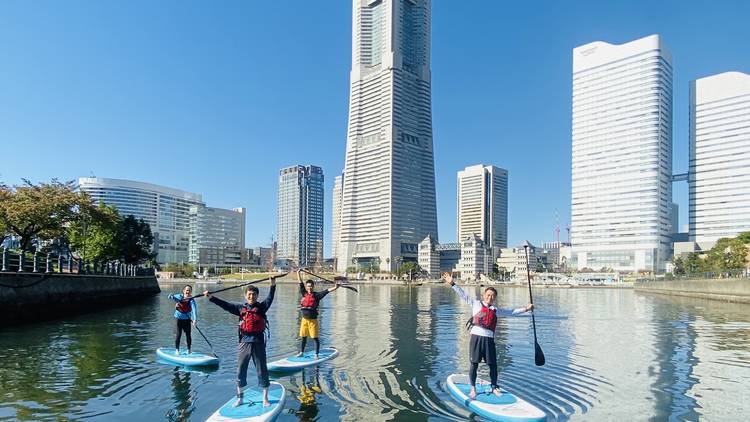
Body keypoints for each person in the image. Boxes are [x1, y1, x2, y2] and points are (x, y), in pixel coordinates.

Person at [443, 272, 534, 399]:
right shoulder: (476, 304)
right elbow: (463, 295)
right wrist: (452, 283)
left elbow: (512, 312)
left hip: (489, 340)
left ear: (495, 298)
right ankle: (473, 388)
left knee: (493, 365)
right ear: (484, 296)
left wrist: (527, 309)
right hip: (476, 338)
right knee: (474, 364)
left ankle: (494, 386)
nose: (490, 297)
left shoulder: (496, 310)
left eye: (492, 296)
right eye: (488, 295)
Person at [203, 276, 278, 407]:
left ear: (257, 296)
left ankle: (265, 398)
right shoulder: (240, 309)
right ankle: (240, 399)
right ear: (245, 296)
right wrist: (211, 297)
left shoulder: (262, 308)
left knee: (262, 370)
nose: (251, 296)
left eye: (254, 294)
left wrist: (273, 284)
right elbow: (225, 305)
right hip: (244, 342)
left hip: (258, 342)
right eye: (249, 294)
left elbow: (270, 298)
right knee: (240, 371)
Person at [296, 269, 339, 358]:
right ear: (306, 287)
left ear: (313, 286)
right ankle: (301, 352)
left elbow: (327, 291)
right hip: (304, 320)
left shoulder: (317, 295)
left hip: (312, 321)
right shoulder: (304, 293)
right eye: (308, 286)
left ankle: (316, 354)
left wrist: (335, 287)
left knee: (314, 338)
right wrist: (298, 273)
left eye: (311, 286)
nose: (309, 288)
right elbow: (300, 282)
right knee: (303, 337)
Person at [168, 285, 197, 354]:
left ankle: (189, 350)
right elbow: (170, 297)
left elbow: (194, 310)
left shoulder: (191, 300)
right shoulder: (179, 296)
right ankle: (177, 350)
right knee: (178, 334)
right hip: (178, 319)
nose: (188, 292)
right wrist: (171, 296)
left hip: (187, 319)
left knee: (188, 335)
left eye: (189, 290)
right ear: (184, 291)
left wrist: (195, 319)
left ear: (191, 292)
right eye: (187, 290)